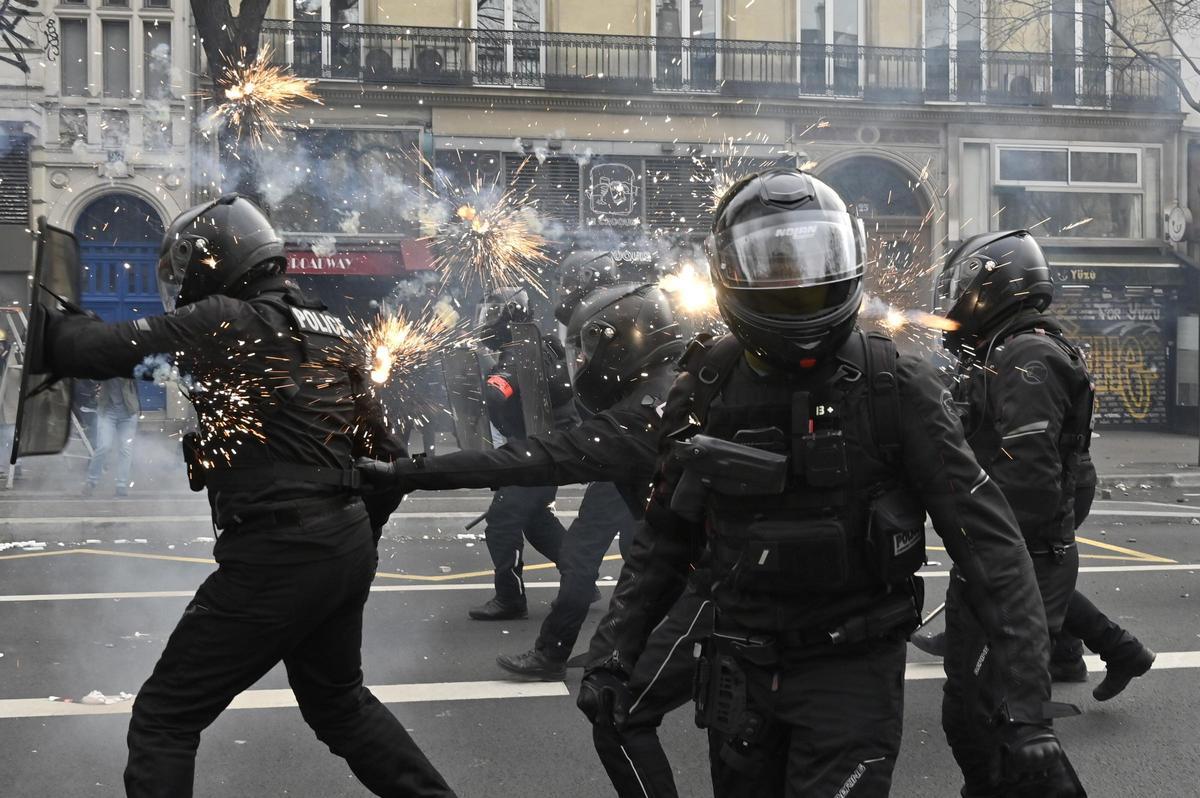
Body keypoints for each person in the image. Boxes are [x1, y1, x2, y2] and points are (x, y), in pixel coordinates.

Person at [578, 169, 1076, 797]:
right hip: (741, 667)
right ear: (732, 273)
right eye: (776, 269)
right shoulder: (707, 381)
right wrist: (615, 651)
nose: (798, 286)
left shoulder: (893, 381)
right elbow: (665, 537)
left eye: (811, 263)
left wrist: (1026, 706)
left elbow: (994, 549)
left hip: (850, 672)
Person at [39, 194, 456, 798]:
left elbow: (102, 350)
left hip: (276, 552)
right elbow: (385, 456)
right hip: (341, 542)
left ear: (213, 261)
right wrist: (349, 538)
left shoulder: (228, 320)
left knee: (164, 716)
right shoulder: (333, 330)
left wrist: (53, 328)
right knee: (340, 704)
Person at [359, 283, 679, 680]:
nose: (580, 359)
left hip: (593, 468)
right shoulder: (691, 382)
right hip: (658, 513)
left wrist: (407, 472)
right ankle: (612, 649)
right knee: (636, 558)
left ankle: (559, 649)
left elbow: (520, 448)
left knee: (589, 559)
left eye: (587, 348)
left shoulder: (630, 421)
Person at [930, 229, 1153, 721]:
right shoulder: (1008, 348)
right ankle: (1117, 652)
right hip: (1028, 532)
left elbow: (1027, 470)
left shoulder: (1027, 355)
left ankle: (1031, 742)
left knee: (998, 697)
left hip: (1027, 533)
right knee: (991, 675)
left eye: (962, 290)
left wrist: (985, 541)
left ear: (994, 289)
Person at [458, 285, 577, 621]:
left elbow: (498, 393)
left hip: (540, 451)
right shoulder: (538, 344)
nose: (485, 321)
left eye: (492, 314)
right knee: (537, 520)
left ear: (511, 316)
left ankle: (510, 599)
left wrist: (475, 382)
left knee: (501, 521)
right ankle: (581, 579)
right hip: (547, 448)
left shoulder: (519, 352)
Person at [83, 377, 140, 497]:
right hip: (107, 411)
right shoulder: (105, 364)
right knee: (104, 446)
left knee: (125, 448)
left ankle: (121, 485)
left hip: (128, 413)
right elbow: (92, 379)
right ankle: (91, 481)